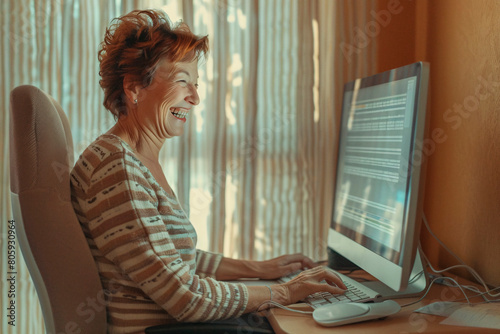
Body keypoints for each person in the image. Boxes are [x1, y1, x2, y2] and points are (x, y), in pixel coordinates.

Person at [70, 9, 346, 334]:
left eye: (196, 84)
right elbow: (183, 295)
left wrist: (260, 269)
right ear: (134, 89)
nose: (195, 97)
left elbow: (173, 260)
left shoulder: (132, 159)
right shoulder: (118, 169)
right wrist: (283, 291)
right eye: (183, 81)